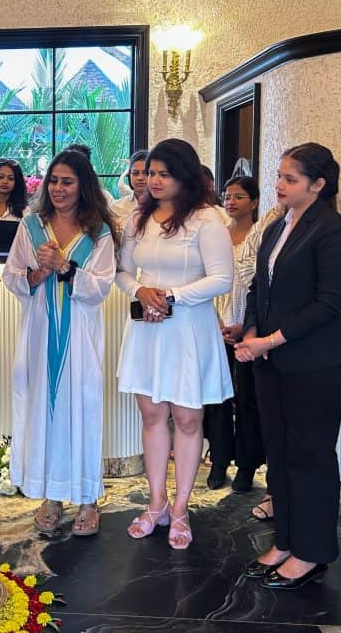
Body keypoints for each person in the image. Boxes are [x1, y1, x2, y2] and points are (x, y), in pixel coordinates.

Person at [235, 142, 341, 590]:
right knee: (279, 455)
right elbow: (256, 289)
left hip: (316, 364)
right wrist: (250, 333)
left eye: (290, 179)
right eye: (279, 176)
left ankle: (313, 551)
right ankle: (285, 540)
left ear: (318, 184)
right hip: (271, 361)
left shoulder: (334, 229)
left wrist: (269, 340)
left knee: (310, 458)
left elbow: (328, 303)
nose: (279, 185)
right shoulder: (276, 226)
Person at [115, 138, 233, 549]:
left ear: (184, 175)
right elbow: (122, 272)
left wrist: (170, 296)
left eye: (164, 173)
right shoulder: (137, 219)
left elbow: (222, 278)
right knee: (151, 416)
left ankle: (181, 509)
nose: (154, 180)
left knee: (186, 419)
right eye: (150, 173)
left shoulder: (208, 219)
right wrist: (141, 291)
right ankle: (156, 503)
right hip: (147, 329)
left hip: (188, 330)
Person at [3, 150, 116, 537]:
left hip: (81, 338)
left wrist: (65, 267)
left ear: (83, 185)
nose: (58, 188)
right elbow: (12, 275)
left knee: (81, 408)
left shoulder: (99, 231)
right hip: (38, 333)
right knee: (43, 411)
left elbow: (100, 287)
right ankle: (51, 495)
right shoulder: (31, 225)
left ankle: (87, 497)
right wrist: (37, 273)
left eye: (67, 181)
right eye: (53, 180)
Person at [207, 175, 265, 492]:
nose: (231, 202)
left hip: (249, 330)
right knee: (216, 399)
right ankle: (218, 462)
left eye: (239, 196)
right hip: (214, 328)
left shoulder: (262, 235)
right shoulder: (215, 234)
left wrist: (244, 326)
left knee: (248, 401)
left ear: (254, 201)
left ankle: (246, 465)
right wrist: (215, 323)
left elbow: (261, 284)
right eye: (227, 196)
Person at [110, 149, 148, 231]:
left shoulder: (163, 207)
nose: (140, 178)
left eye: (145, 173)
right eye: (135, 173)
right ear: (129, 176)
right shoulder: (116, 207)